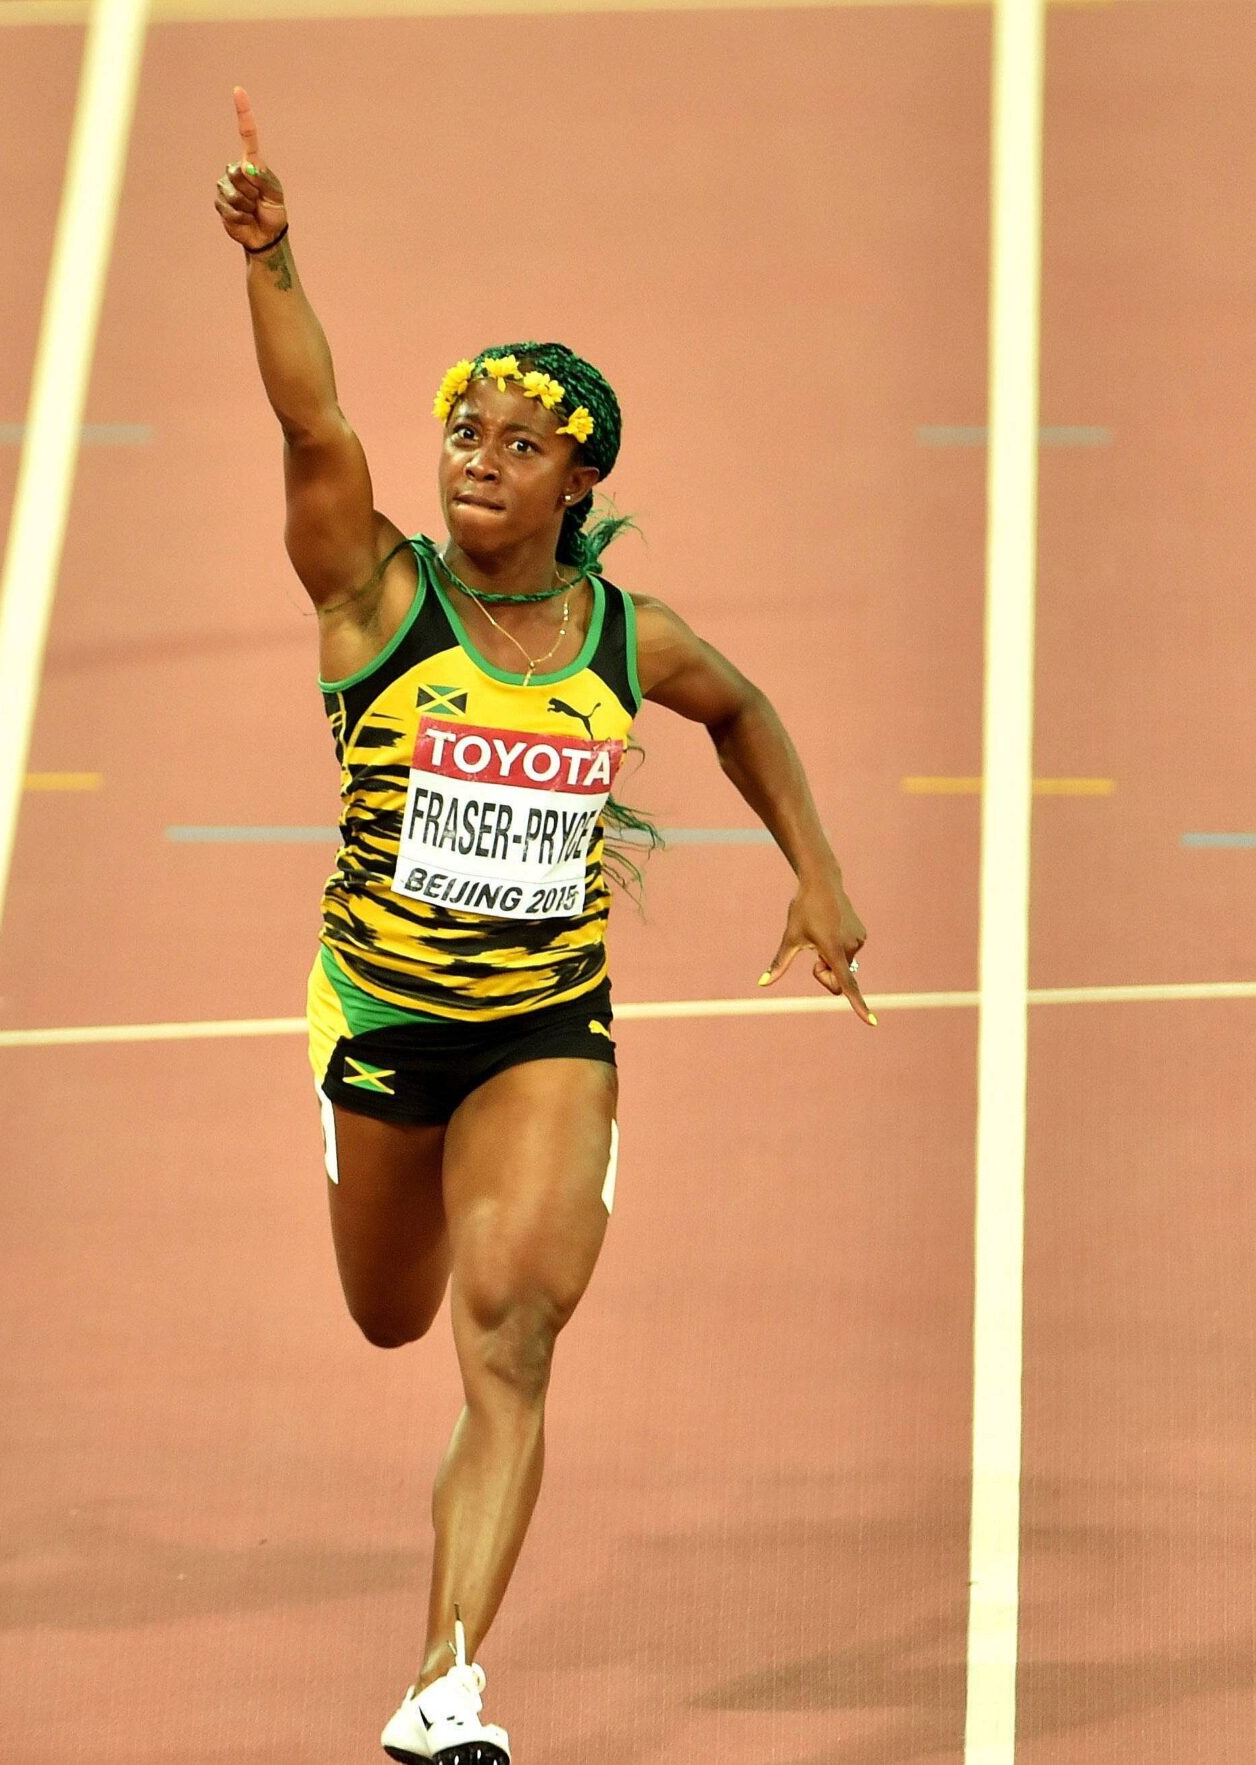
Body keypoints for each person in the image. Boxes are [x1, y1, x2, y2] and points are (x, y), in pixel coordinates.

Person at [215, 88, 870, 1764]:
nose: (477, 461)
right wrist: (275, 262)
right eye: (466, 435)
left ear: (580, 477)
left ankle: (444, 1688)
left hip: (541, 1026)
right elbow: (314, 431)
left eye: (519, 443)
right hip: (378, 1021)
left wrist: (816, 867)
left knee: (506, 1328)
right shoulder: (378, 593)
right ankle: (376, 1174)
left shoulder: (619, 635)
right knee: (385, 1308)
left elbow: (742, 704)